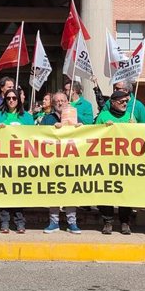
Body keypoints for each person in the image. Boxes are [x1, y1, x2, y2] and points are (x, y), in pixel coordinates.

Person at [0, 87, 31, 233]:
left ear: (19, 100)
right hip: (2, 162)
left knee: (19, 193)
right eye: (8, 98)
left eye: (14, 98)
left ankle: (20, 222)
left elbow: (35, 137)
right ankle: (4, 222)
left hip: (21, 162)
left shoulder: (27, 117)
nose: (11, 100)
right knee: (4, 193)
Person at [40, 91, 82, 234]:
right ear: (53, 104)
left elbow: (88, 131)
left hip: (71, 161)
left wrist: (79, 126)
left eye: (62, 100)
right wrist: (52, 129)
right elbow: (38, 136)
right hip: (53, 162)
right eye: (57, 101)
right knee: (54, 191)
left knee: (70, 191)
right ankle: (54, 222)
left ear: (67, 102)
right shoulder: (47, 119)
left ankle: (72, 222)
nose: (60, 103)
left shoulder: (76, 116)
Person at [95, 90, 135, 234]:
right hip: (106, 162)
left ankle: (125, 222)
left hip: (125, 163)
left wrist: (134, 127)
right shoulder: (103, 116)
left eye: (126, 102)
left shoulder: (131, 117)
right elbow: (92, 136)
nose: (125, 104)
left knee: (126, 192)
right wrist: (102, 129)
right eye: (121, 102)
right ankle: (108, 221)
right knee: (106, 191)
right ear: (113, 103)